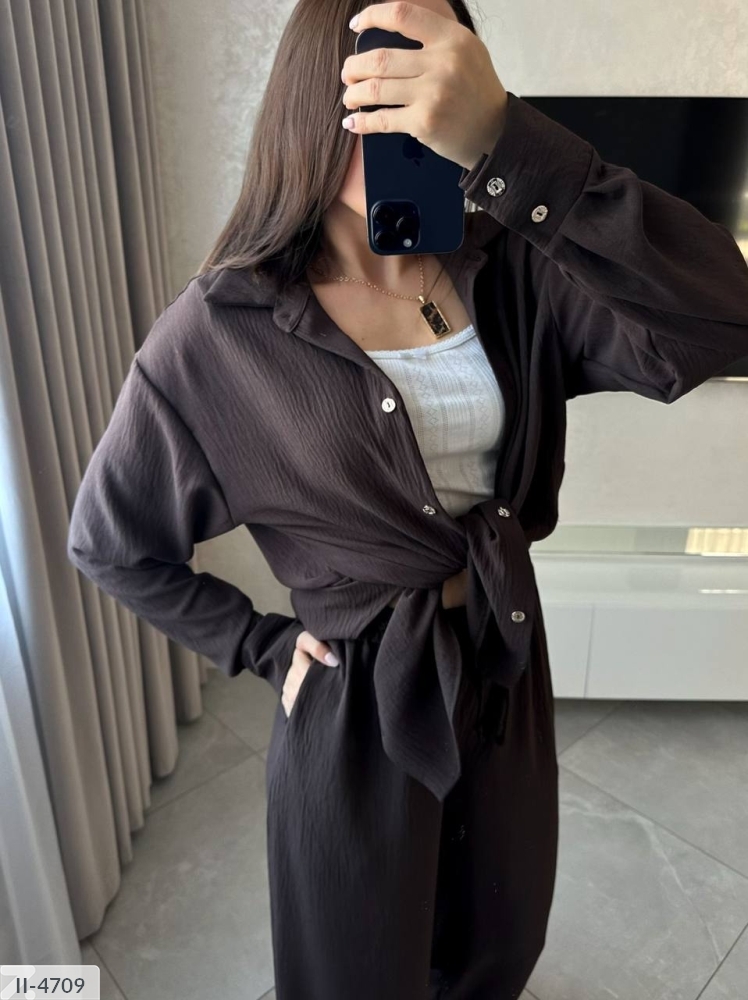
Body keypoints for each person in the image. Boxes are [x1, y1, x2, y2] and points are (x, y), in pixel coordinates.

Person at [67, 1, 748, 998]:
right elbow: (109, 542)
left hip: (505, 661)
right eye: (386, 88)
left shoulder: (511, 266)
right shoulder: (225, 328)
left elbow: (724, 321)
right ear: (320, 104)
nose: (416, 122)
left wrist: (518, 147)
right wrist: (258, 645)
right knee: (356, 968)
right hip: (356, 701)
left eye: (438, 84)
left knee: (497, 941)